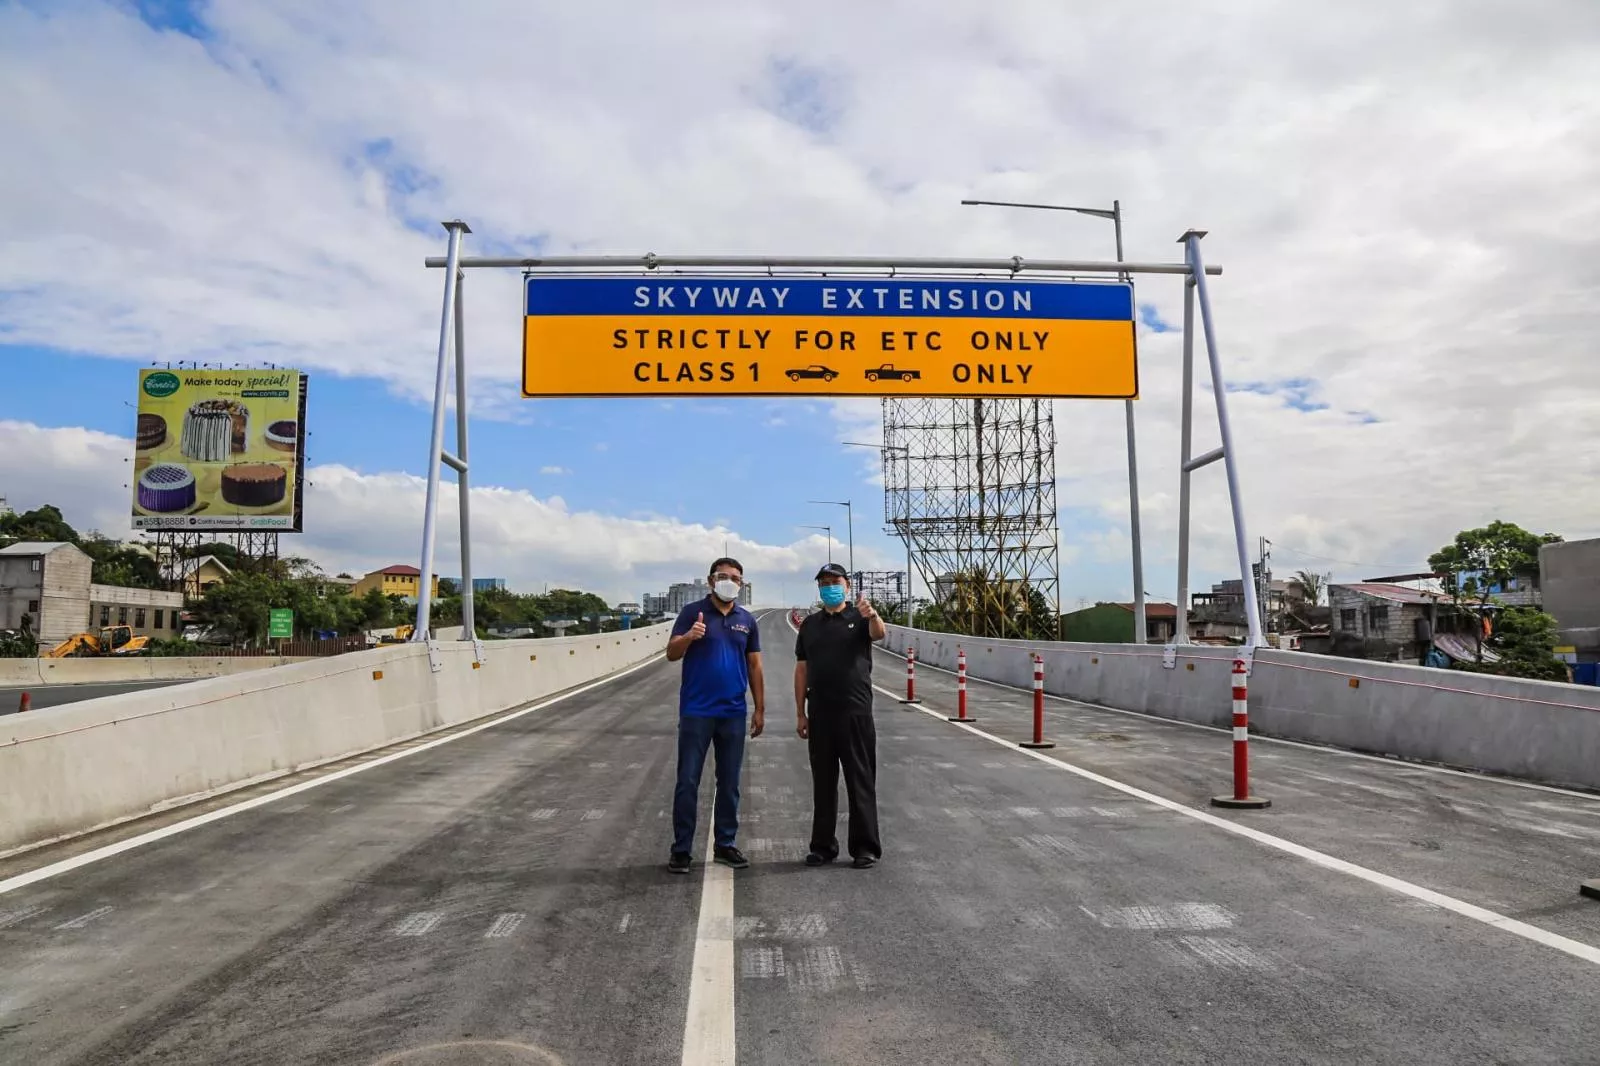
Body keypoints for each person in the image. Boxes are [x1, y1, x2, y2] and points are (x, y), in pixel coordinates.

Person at [665, 557, 765, 874]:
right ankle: (681, 849)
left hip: (733, 712)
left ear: (742, 583)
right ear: (710, 581)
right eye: (723, 576)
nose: (729, 581)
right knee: (688, 781)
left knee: (730, 782)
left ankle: (725, 844)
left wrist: (759, 708)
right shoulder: (691, 613)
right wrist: (689, 637)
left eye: (735, 577)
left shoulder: (746, 620)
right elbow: (671, 653)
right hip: (697, 711)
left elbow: (755, 666)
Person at [793, 562, 887, 869]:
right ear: (819, 589)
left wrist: (871, 614)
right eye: (824, 582)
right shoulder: (810, 625)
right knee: (824, 782)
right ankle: (822, 846)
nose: (830, 586)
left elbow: (879, 634)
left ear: (847, 585)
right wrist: (800, 713)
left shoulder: (859, 617)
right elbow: (802, 668)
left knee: (860, 779)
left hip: (855, 711)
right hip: (820, 712)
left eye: (835, 581)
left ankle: (865, 847)